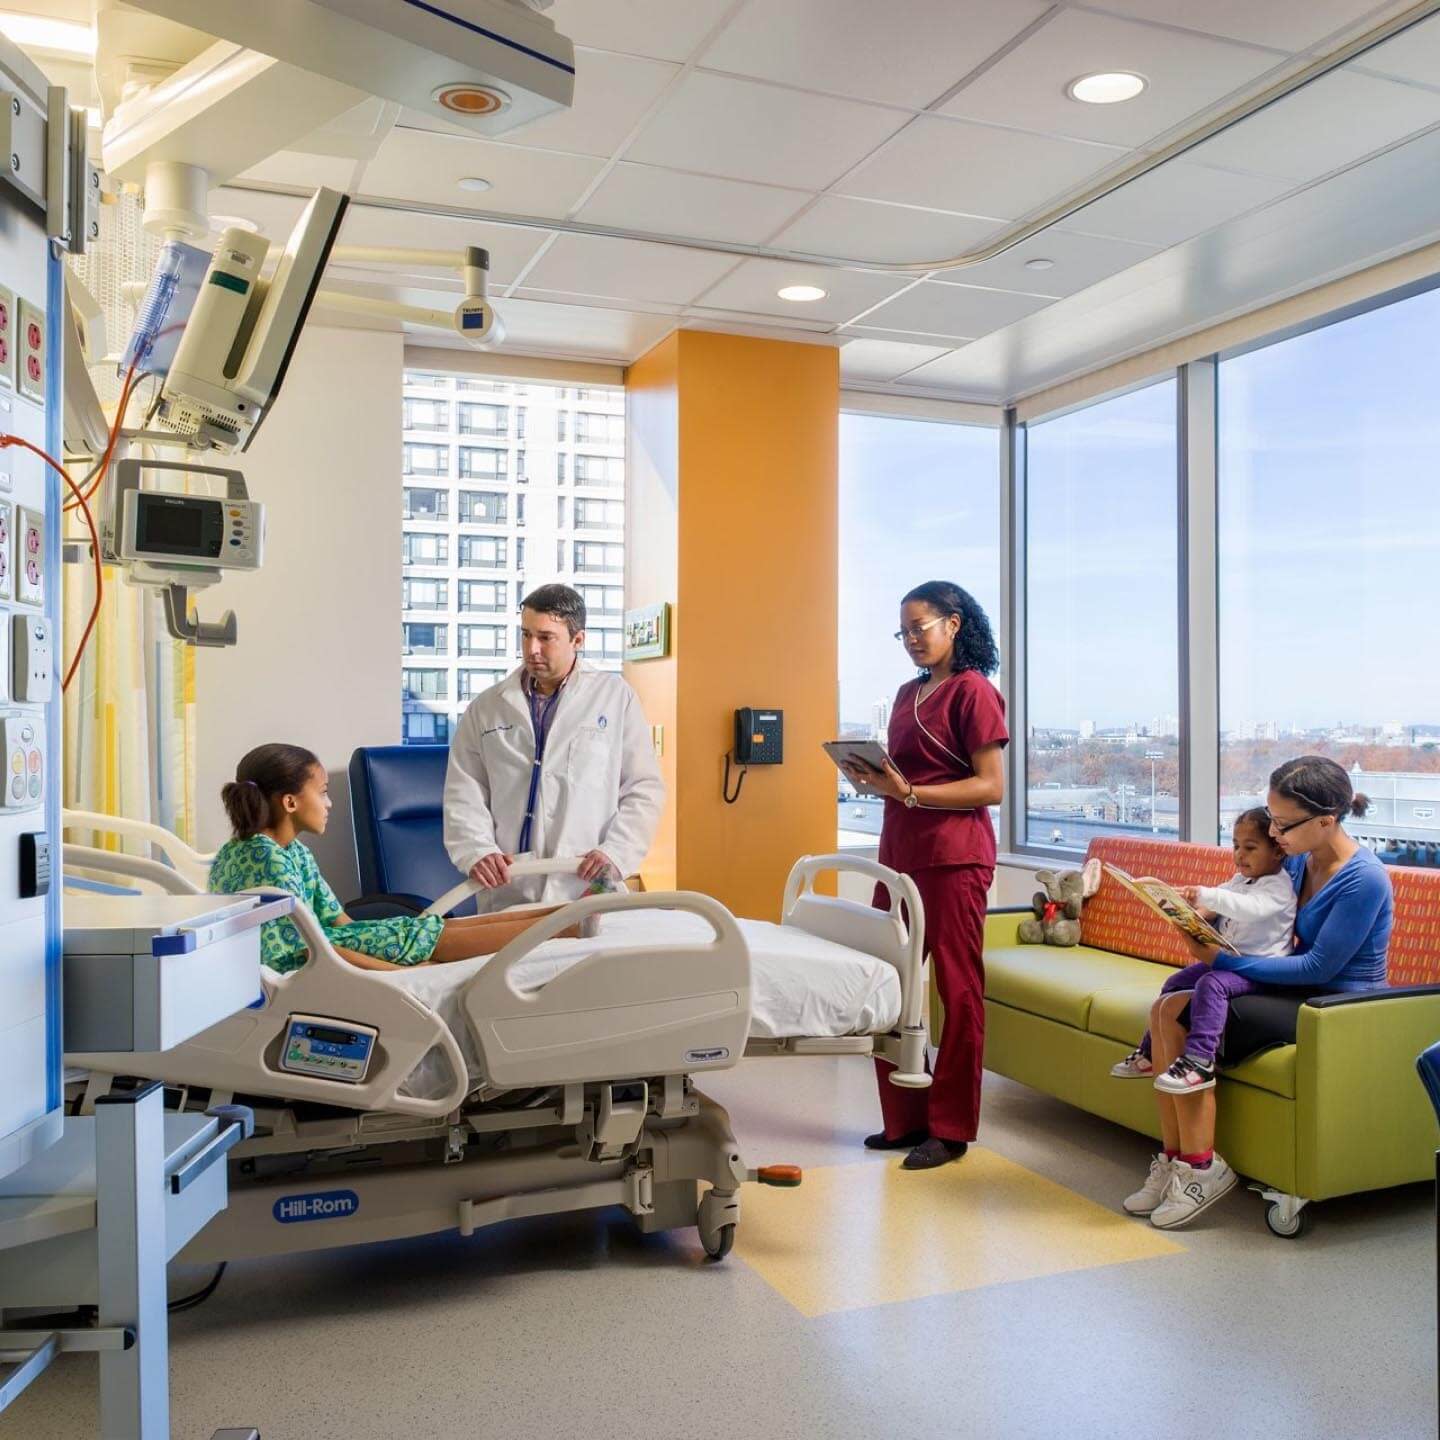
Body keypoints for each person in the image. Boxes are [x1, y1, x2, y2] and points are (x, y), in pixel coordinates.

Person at [1125, 755, 1393, 1230]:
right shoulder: (1297, 862)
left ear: (1327, 820)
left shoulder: (1364, 879)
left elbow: (1318, 966)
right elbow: (1259, 911)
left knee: (1183, 1015)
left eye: (1284, 824)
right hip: (1291, 986)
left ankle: (1202, 1169)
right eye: (1273, 820)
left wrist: (1219, 961)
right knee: (1165, 1008)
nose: (1275, 835)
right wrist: (1201, 920)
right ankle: (1177, 1160)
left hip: (1334, 1006)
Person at [840, 581, 1007, 1171]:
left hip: (954, 857)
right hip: (899, 852)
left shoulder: (975, 692)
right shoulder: (908, 692)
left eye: (921, 627)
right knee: (889, 983)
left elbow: (991, 786)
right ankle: (905, 1118)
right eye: (903, 631)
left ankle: (952, 1127)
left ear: (953, 624)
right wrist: (875, 777)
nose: (911, 639)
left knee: (957, 992)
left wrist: (910, 793)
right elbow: (905, 779)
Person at [210, 744, 570, 972]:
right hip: (325, 959)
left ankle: (567, 915)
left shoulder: (283, 852)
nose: (329, 803)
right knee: (429, 935)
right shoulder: (266, 860)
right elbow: (303, 953)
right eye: (322, 793)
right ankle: (568, 925)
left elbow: (340, 923)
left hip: (338, 943)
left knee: (429, 928)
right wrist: (400, 975)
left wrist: (387, 936)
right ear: (290, 802)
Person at [444, 583, 664, 910]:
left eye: (545, 637)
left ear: (578, 640)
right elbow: (465, 790)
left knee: (595, 959)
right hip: (511, 885)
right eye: (525, 635)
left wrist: (616, 852)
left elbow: (643, 788)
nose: (532, 648)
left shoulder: (615, 698)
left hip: (587, 881)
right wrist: (478, 851)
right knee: (512, 961)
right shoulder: (487, 707)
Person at [1110, 808, 1295, 1089]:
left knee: (1212, 984)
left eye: (1250, 848)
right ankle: (1149, 1053)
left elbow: (1249, 909)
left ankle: (1200, 1060)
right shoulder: (1241, 879)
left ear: (1278, 852)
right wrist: (1192, 908)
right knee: (1176, 981)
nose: (1239, 854)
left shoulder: (1278, 888)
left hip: (1261, 970)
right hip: (1235, 961)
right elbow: (1224, 896)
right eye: (1235, 846)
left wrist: (1205, 895)